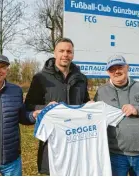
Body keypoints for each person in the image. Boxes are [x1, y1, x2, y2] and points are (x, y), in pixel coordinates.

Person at [24, 37, 90, 174]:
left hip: (77, 140)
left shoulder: (81, 79)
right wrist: (45, 108)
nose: (65, 54)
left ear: (73, 54)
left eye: (69, 51)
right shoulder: (40, 78)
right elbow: (29, 106)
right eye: (62, 51)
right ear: (55, 53)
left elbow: (85, 103)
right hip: (53, 142)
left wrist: (89, 106)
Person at [94, 55, 139, 176]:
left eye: (120, 67)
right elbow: (95, 119)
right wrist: (90, 108)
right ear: (108, 72)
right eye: (112, 69)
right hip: (116, 155)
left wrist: (137, 109)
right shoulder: (101, 92)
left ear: (127, 67)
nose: (117, 71)